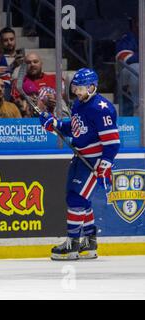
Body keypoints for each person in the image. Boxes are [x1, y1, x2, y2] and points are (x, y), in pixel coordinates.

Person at [39, 68, 120, 260]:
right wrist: (55, 125)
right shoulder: (79, 104)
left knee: (77, 199)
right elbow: (76, 129)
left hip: (94, 161)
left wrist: (104, 165)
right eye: (75, 87)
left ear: (92, 87)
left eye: (81, 88)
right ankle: (89, 241)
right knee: (77, 198)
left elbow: (112, 142)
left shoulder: (102, 108)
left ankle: (72, 243)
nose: (77, 91)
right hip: (81, 158)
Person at [116, 17, 139, 116]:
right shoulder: (128, 38)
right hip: (127, 73)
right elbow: (125, 58)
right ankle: (139, 108)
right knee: (137, 68)